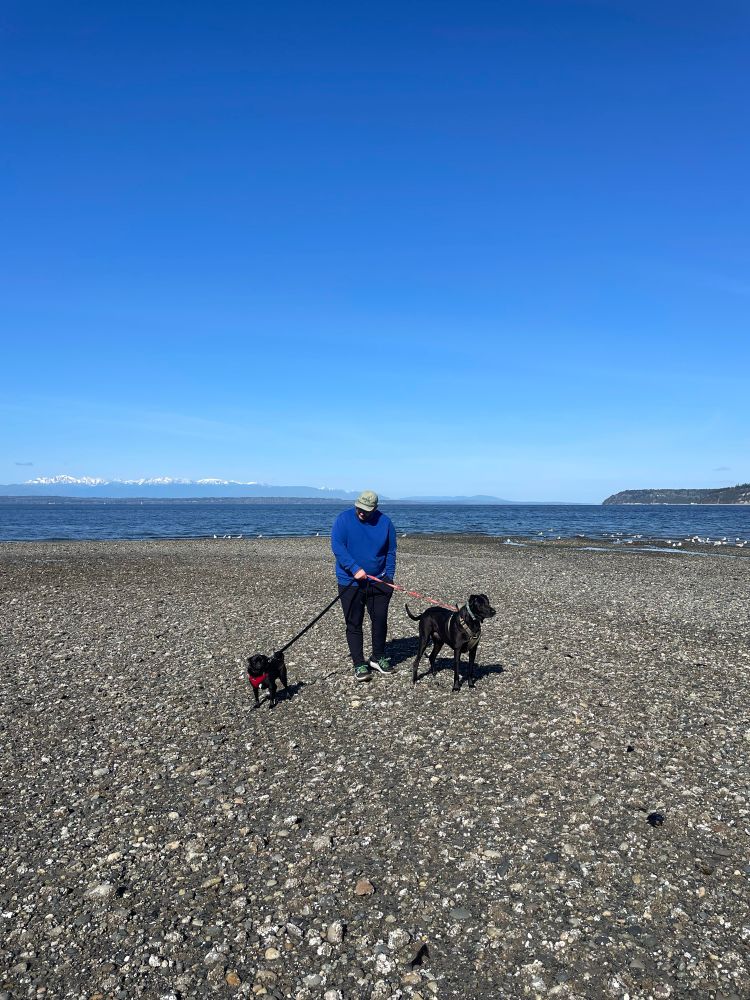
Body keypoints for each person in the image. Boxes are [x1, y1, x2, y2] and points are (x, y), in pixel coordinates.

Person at [331, 489, 397, 682]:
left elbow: (391, 551)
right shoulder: (342, 520)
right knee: (354, 622)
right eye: (359, 508)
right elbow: (337, 546)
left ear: (375, 508)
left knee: (379, 619)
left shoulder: (385, 523)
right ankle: (359, 663)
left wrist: (389, 577)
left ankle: (377, 656)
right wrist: (354, 568)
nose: (362, 512)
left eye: (367, 510)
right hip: (349, 581)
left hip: (378, 580)